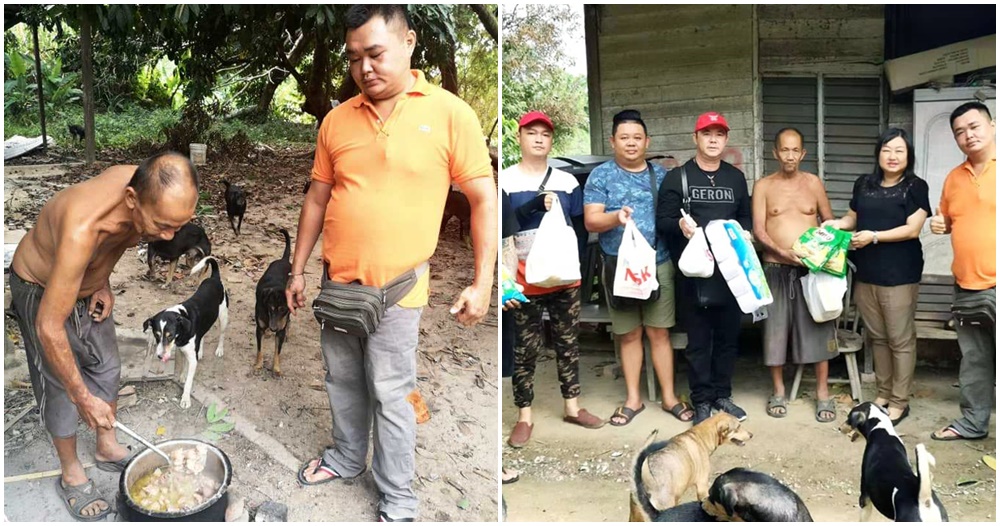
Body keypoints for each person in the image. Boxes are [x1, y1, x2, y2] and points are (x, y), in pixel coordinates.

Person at [285, 6, 497, 521]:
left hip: (400, 289)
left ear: (409, 42)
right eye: (354, 57)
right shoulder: (337, 120)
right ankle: (346, 457)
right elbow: (317, 198)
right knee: (341, 379)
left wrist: (483, 281)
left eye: (376, 53)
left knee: (392, 390)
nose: (365, 68)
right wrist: (297, 269)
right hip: (338, 285)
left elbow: (482, 198)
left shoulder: (450, 114)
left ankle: (398, 497)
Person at [9, 152, 199, 521]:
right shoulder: (83, 226)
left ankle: (106, 447)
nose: (170, 236)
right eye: (163, 226)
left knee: (107, 366)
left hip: (85, 284)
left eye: (179, 226)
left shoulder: (146, 188)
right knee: (61, 385)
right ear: (131, 199)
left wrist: (102, 282)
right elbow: (49, 326)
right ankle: (71, 473)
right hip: (41, 287)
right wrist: (82, 396)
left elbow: (113, 243)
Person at [583, 109, 693, 426]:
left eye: (636, 138)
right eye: (624, 138)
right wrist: (615, 217)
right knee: (629, 334)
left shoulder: (662, 175)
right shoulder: (601, 176)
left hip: (659, 264)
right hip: (619, 268)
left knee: (659, 332)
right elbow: (591, 220)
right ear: (612, 141)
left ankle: (669, 397)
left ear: (647, 141)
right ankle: (633, 399)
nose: (630, 143)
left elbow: (674, 215)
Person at [501, 110, 604, 449]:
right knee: (525, 348)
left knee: (568, 343)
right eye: (532, 133)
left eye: (545, 134)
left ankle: (572, 406)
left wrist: (575, 267)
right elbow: (504, 229)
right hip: (524, 279)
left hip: (564, 278)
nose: (539, 139)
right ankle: (524, 415)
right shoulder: (506, 180)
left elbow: (579, 229)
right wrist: (533, 205)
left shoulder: (568, 182)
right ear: (519, 137)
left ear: (551, 140)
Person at [824, 128, 931, 425]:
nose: (892, 156)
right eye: (887, 149)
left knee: (900, 339)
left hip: (900, 274)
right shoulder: (864, 183)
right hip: (866, 272)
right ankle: (883, 394)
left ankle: (899, 401)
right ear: (878, 154)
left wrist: (873, 236)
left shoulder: (915, 186)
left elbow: (912, 229)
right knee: (879, 338)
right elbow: (853, 218)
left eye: (899, 150)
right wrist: (837, 224)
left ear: (908, 155)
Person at [656, 111, 751, 425]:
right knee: (698, 341)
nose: (713, 140)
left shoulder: (735, 178)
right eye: (707, 134)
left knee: (727, 338)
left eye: (719, 134)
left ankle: (722, 394)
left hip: (730, 273)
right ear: (695, 138)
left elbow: (745, 216)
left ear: (726, 139)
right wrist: (679, 225)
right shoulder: (678, 177)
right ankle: (701, 401)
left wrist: (746, 233)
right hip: (694, 274)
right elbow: (663, 220)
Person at [752, 128, 838, 422]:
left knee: (818, 327)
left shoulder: (813, 183)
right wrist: (782, 251)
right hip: (775, 268)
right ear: (775, 153)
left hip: (811, 270)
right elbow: (759, 230)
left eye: (795, 150)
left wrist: (819, 250)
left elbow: (829, 221)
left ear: (803, 153)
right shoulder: (763, 186)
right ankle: (778, 391)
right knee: (774, 332)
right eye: (784, 150)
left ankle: (823, 393)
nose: (790, 156)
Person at [928, 102, 996, 442]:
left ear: (992, 125)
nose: (967, 135)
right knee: (975, 359)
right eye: (959, 131)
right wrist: (941, 225)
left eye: (974, 126)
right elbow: (949, 220)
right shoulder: (954, 178)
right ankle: (973, 422)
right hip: (967, 285)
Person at [500, 190, 520, 484]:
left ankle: (499, 462)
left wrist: (508, 288)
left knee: (503, 377)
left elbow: (508, 243)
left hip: (502, 296)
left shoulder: (500, 195)